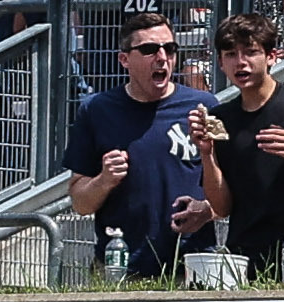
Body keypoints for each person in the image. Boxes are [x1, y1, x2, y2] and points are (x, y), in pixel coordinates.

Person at [66, 9, 222, 277]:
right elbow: (80, 203)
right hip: (121, 269)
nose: (162, 58)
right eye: (149, 49)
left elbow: (234, 185)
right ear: (124, 59)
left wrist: (208, 211)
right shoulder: (96, 110)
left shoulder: (205, 107)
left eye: (169, 48)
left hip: (193, 269)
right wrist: (103, 180)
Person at [198, 9, 284, 274]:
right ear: (220, 63)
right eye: (231, 55)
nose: (241, 63)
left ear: (271, 56)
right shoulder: (220, 117)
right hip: (245, 257)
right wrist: (207, 155)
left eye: (250, 52)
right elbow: (221, 207)